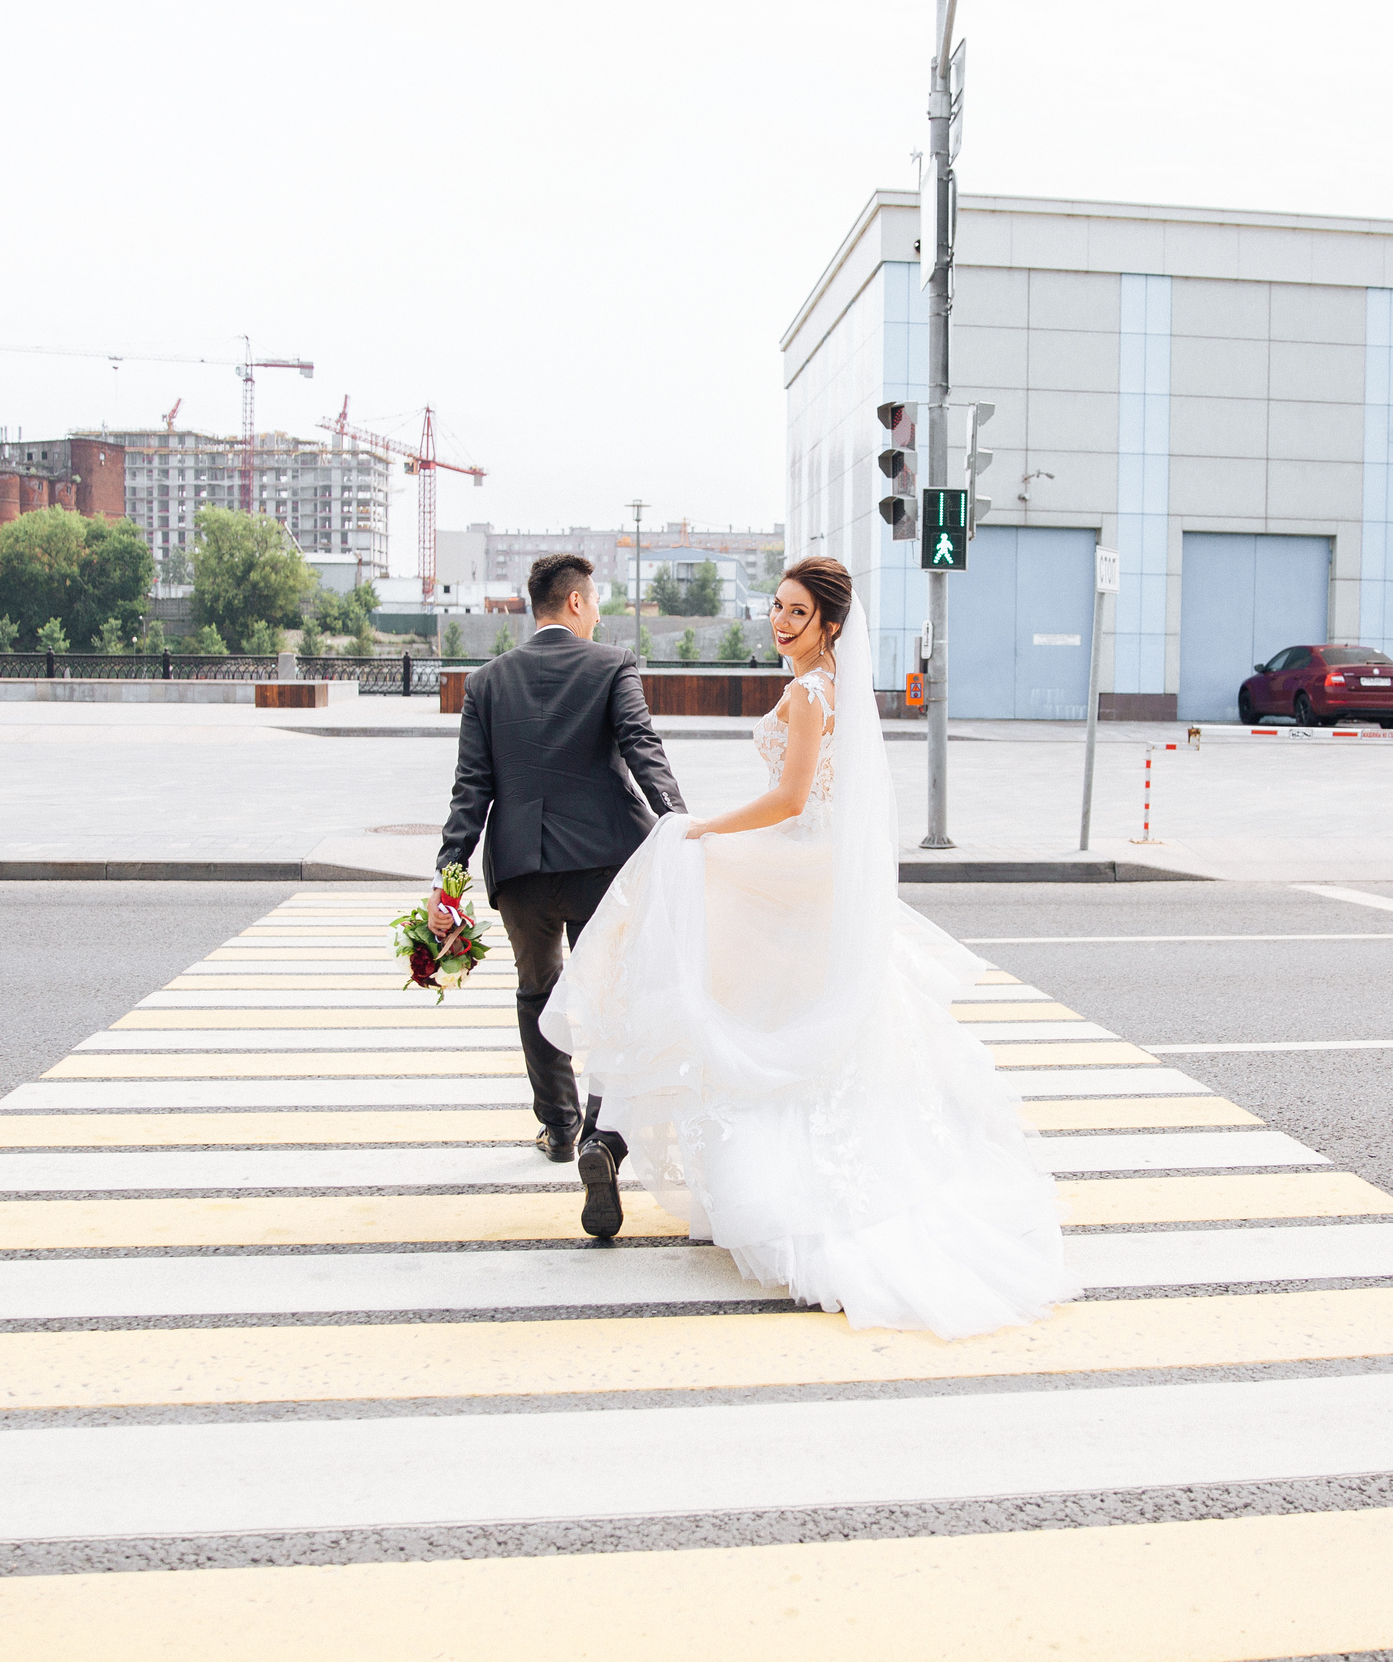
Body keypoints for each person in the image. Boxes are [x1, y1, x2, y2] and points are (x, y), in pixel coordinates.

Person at [542, 557, 1079, 1339]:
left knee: (752, 1005)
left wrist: (703, 828)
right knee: (805, 1017)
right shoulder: (838, 693)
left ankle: (720, 1167)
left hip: (797, 869)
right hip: (820, 871)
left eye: (797, 612)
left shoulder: (808, 694)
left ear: (830, 624)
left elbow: (792, 799)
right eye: (776, 607)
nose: (781, 622)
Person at [432, 553, 687, 1229]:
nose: (599, 606)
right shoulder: (611, 665)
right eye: (595, 596)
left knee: (537, 992)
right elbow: (641, 745)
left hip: (519, 870)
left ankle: (559, 1125)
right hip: (604, 864)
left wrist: (449, 880)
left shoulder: (486, 682)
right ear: (574, 603)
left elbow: (471, 788)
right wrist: (678, 822)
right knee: (608, 999)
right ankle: (603, 1137)